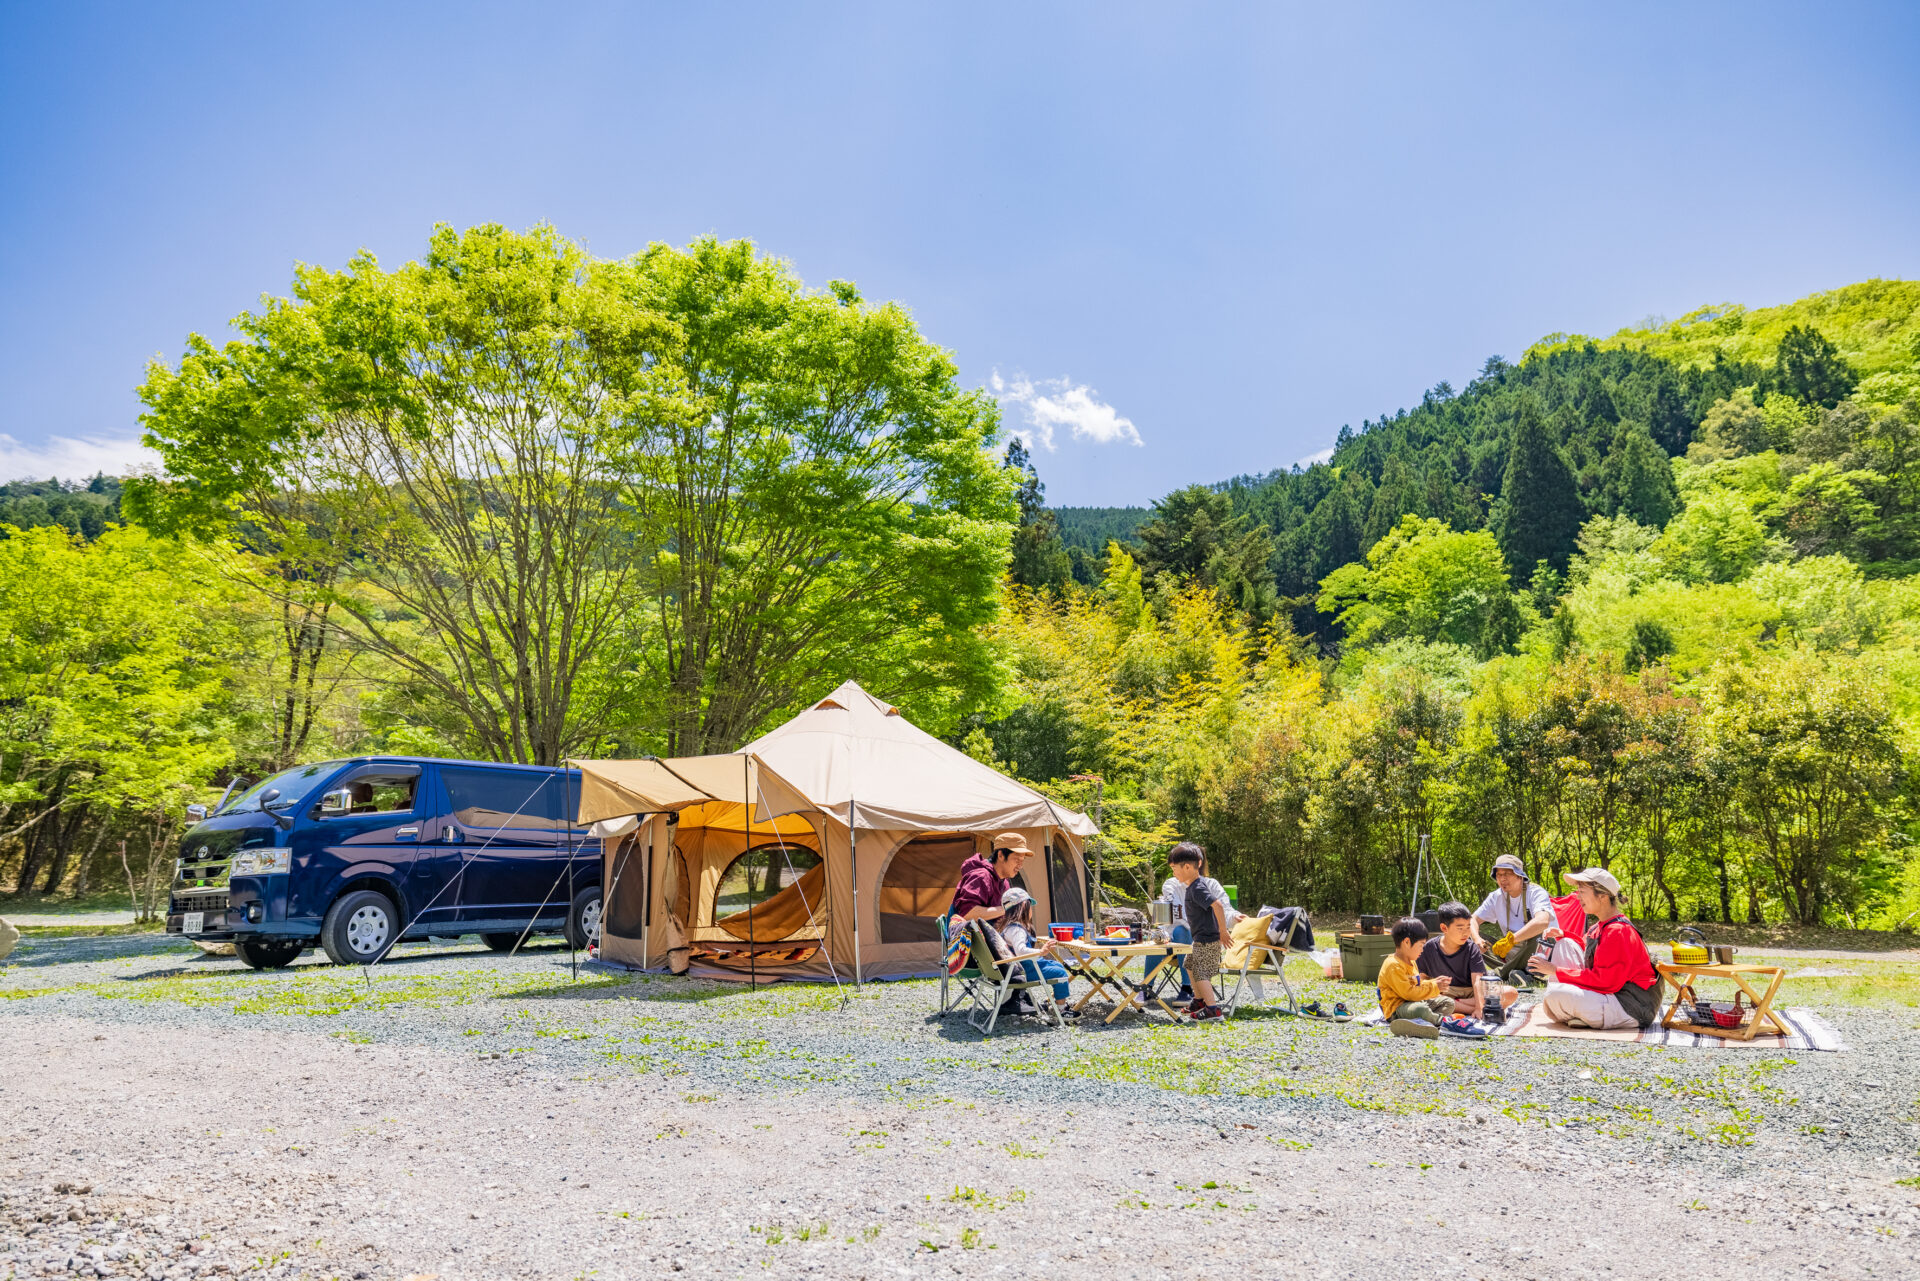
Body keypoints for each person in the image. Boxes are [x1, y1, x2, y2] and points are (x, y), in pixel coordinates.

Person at [1532, 868, 1662, 1030]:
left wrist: (1555, 970)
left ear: (1602, 896)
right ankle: (1580, 1015)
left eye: (1582, 892)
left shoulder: (1618, 930)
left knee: (1553, 996)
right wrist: (1563, 934)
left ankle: (1578, 1014)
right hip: (1610, 996)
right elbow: (1586, 949)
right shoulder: (1599, 927)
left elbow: (1606, 982)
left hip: (1631, 1007)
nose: (1577, 897)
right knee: (1565, 944)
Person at [1379, 917, 1486, 1039]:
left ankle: (1421, 1023)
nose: (1422, 949)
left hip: (1414, 1002)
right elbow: (1408, 994)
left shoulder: (1411, 962)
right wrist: (1434, 985)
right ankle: (1445, 1023)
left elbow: (1417, 985)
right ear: (1407, 942)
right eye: (1421, 945)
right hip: (1397, 1009)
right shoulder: (1393, 965)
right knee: (1421, 1010)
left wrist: (1434, 983)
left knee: (1448, 1003)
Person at [1417, 901, 1516, 1020]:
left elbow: (1477, 982)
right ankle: (1470, 1008)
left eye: (1468, 927)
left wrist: (1479, 1008)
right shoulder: (1429, 947)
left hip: (1472, 992)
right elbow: (1422, 981)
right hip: (1444, 992)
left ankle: (1452, 1005)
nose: (1466, 933)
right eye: (1460, 928)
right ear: (1444, 928)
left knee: (1510, 993)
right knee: (1422, 995)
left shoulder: (1471, 948)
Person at [1166, 842, 1229, 1021]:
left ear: (1187, 867)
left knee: (1201, 972)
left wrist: (1223, 931)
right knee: (1189, 963)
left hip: (1208, 939)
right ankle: (1199, 1001)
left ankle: (1213, 1010)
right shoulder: (1193, 886)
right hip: (1200, 938)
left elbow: (1217, 905)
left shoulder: (1198, 887)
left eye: (1174, 868)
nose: (1173, 873)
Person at [1471, 854, 1554, 986]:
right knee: (1468, 937)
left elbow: (1543, 921)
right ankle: (1517, 973)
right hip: (1509, 954)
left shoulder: (1536, 892)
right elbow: (1473, 919)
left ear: (1519, 875)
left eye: (1507, 874)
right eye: (1498, 875)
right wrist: (1477, 940)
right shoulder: (1496, 896)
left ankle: (1500, 974)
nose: (1502, 879)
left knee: (1541, 933)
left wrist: (1511, 940)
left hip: (1537, 953)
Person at [997, 887, 1073, 1014]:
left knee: (1057, 965)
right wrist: (1040, 952)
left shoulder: (1008, 927)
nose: (1032, 910)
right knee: (1060, 973)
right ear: (1023, 907)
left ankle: (1058, 1003)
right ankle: (1062, 1009)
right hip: (1026, 970)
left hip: (1025, 966)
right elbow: (1020, 950)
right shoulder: (1016, 930)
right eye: (1030, 906)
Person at [948, 832, 1036, 925]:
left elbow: (1000, 915)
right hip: (966, 938)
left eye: (1022, 861)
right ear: (1001, 855)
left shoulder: (1004, 882)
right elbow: (968, 914)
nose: (1020, 866)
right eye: (1017, 860)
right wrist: (1009, 908)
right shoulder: (981, 876)